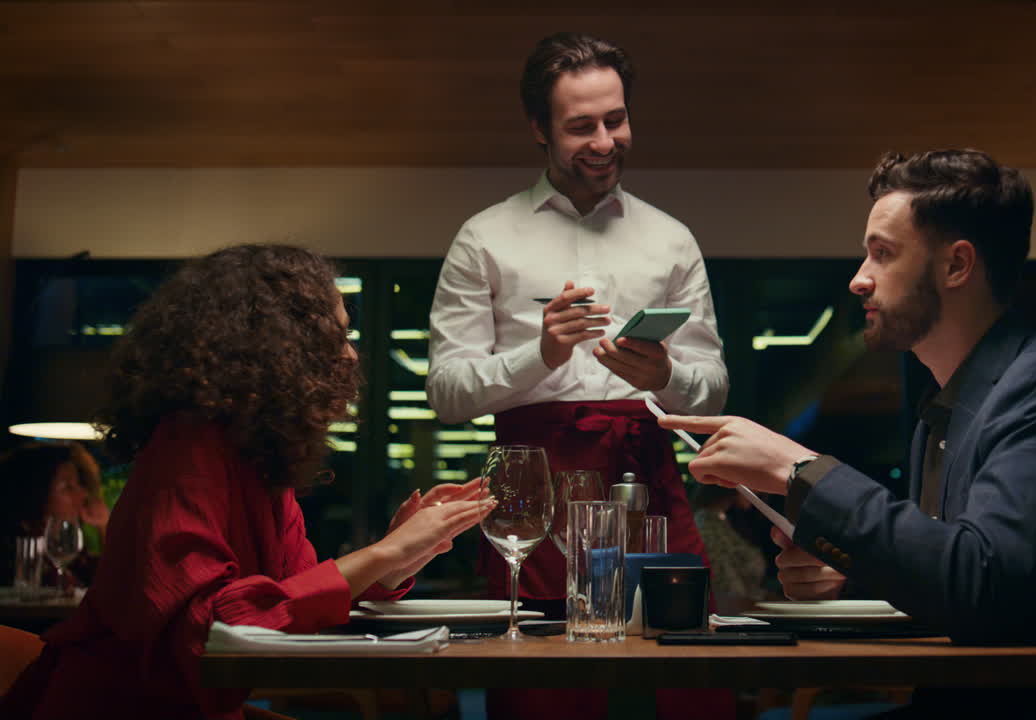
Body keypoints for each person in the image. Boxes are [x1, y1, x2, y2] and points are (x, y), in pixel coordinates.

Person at [661, 150, 1036, 717]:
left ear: (956, 266)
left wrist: (799, 469)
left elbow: (988, 586)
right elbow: (955, 579)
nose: (859, 278)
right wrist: (847, 578)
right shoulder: (943, 407)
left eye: (883, 253)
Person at [1, 244, 496, 720]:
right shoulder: (188, 447)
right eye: (337, 336)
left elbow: (296, 601)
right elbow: (213, 631)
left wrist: (401, 551)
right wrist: (384, 554)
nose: (350, 357)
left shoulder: (258, 457)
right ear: (277, 343)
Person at [426, 32, 731, 720]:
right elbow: (445, 393)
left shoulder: (671, 239)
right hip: (532, 479)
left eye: (616, 120)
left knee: (682, 671)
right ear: (538, 128)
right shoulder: (485, 237)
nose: (604, 140)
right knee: (542, 687)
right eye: (580, 126)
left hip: (646, 470)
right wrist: (543, 354)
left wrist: (665, 373)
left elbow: (713, 388)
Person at [0, 440, 110, 588]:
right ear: (35, 494)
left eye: (80, 485)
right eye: (68, 487)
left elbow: (111, 582)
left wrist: (104, 527)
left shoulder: (67, 547)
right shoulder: (12, 552)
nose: (83, 494)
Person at [692, 484, 767, 615]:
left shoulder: (722, 519)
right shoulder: (707, 524)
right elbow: (728, 593)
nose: (761, 488)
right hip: (733, 620)